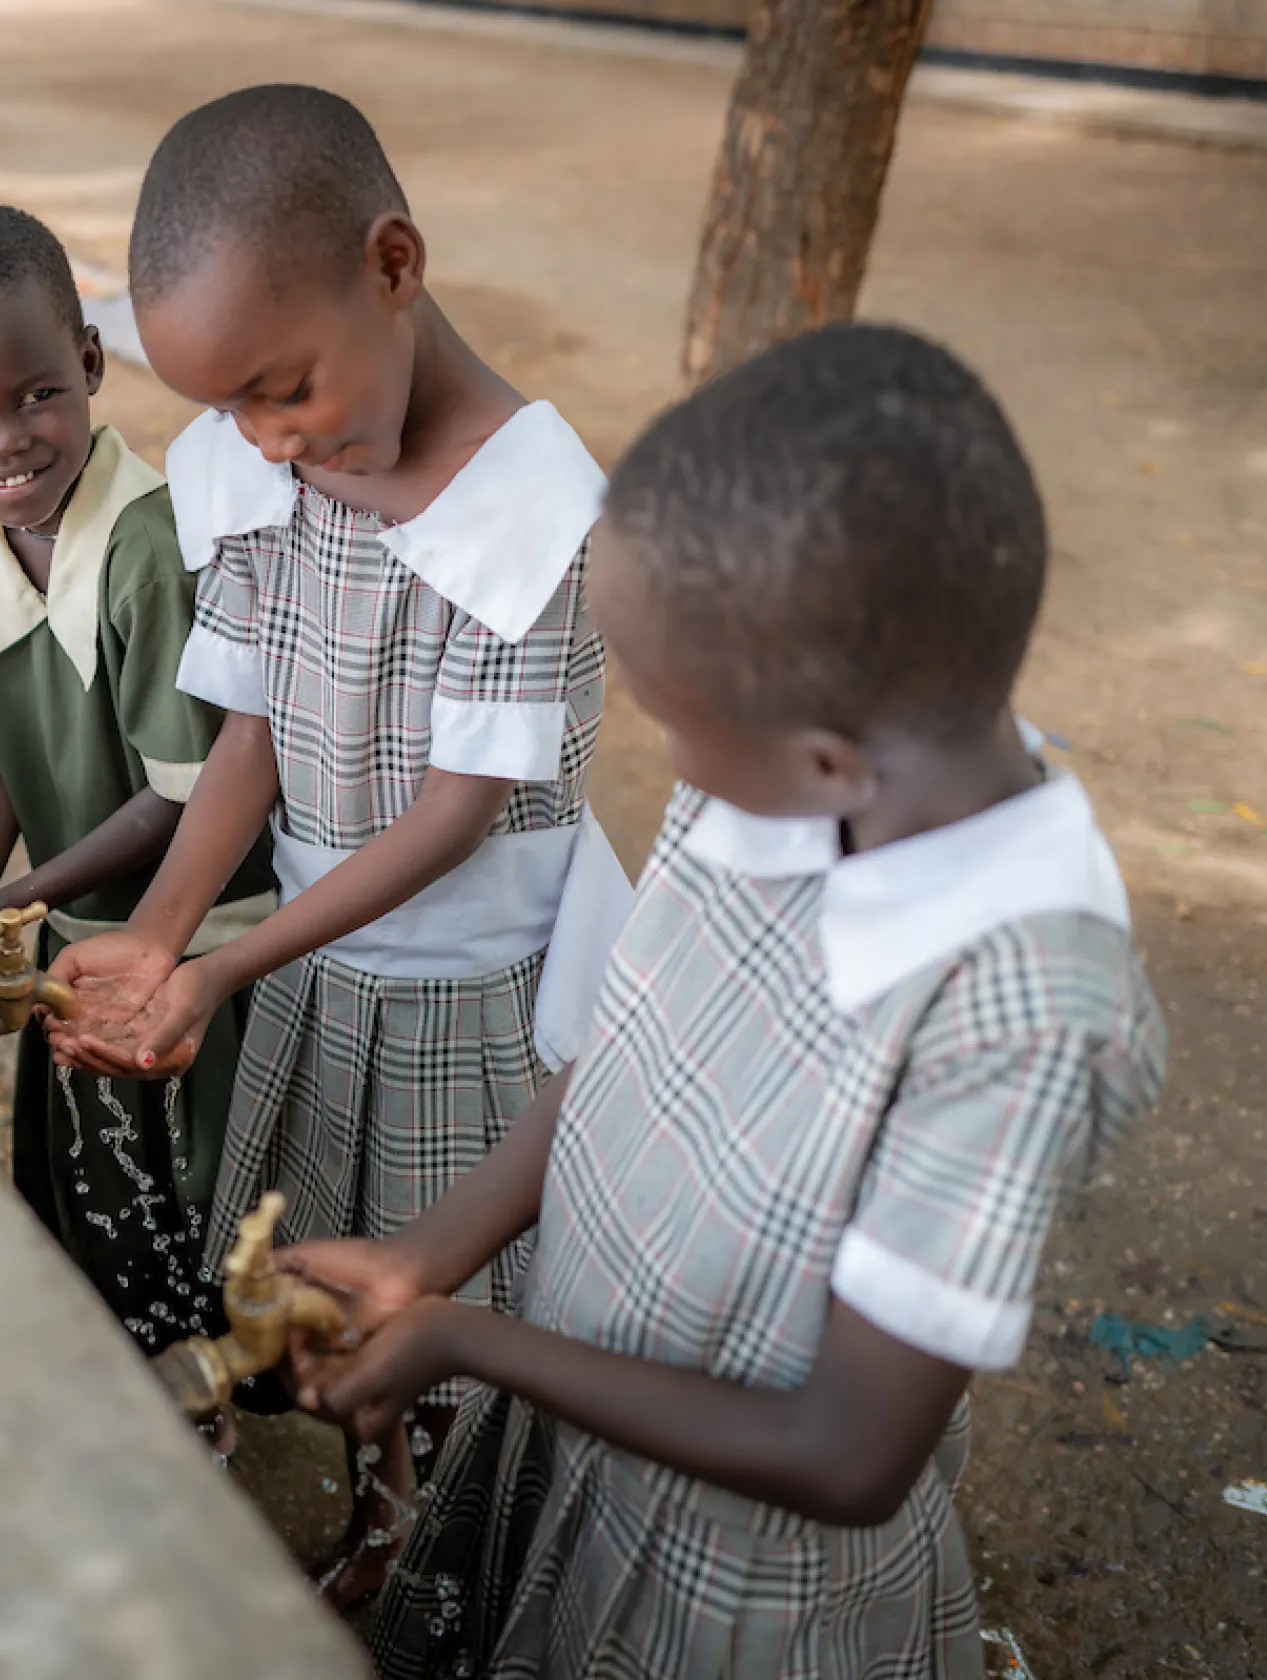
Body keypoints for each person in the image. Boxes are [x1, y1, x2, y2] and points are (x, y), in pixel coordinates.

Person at [283, 323, 1171, 1677]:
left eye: (676, 725)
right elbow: (629, 1048)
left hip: (738, 1589)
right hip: (588, 1412)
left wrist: (478, 1343)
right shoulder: (788, 754)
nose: (673, 765)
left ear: (824, 763)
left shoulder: (1024, 1018)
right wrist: (431, 1256)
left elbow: (848, 1452)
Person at [43, 86, 631, 1603]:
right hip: (320, 973)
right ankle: (385, 1513)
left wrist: (230, 958)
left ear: (392, 264)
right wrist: (166, 934)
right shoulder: (257, 476)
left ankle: (466, 1542)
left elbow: (453, 817)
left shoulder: (541, 520)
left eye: (281, 388)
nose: (265, 436)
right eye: (228, 406)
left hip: (466, 993)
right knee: (331, 1264)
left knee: (453, 1283)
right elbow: (248, 736)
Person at [0, 202, 275, 1356]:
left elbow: (180, 793)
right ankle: (159, 1395)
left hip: (196, 936)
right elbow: (1, 727)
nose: (3, 442)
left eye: (36, 394)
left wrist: (5, 905)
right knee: (104, 1210)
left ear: (90, 363)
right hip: (71, 921)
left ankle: (223, 1407)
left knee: (208, 1205)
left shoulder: (150, 546)